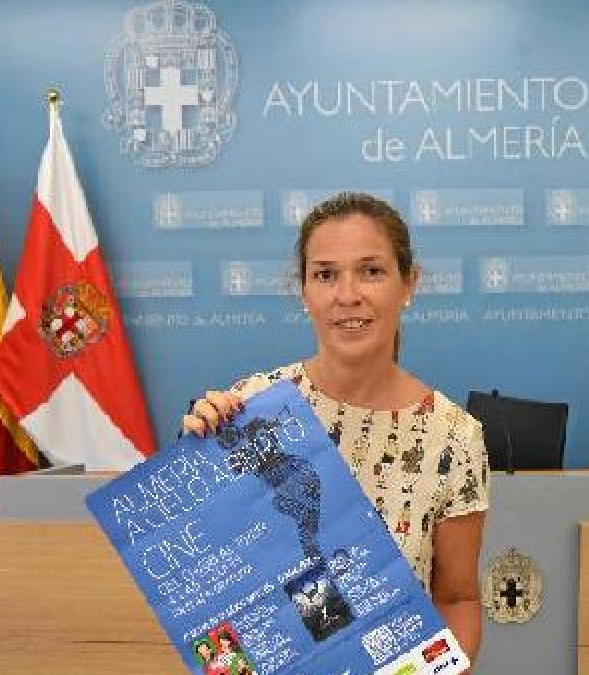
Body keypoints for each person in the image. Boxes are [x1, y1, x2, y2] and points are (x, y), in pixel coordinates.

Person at [181, 192, 488, 665]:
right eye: (326, 274)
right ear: (304, 292)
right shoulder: (249, 408)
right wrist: (195, 457)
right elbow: (211, 571)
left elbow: (458, 599)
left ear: (409, 283)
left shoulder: (453, 437)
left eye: (371, 271)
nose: (348, 295)